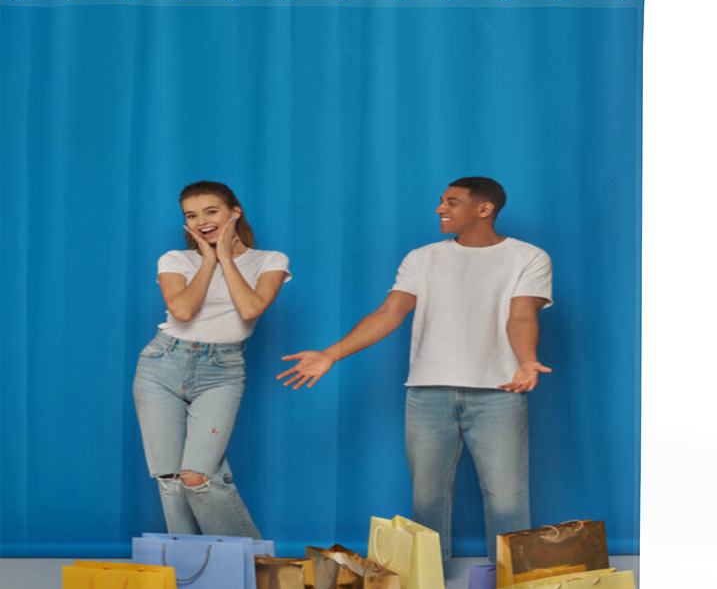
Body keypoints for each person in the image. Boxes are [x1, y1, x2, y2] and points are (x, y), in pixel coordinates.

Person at [277, 177, 552, 560]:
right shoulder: (422, 258)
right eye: (441, 201)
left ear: (484, 209)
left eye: (452, 202)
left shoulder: (529, 257)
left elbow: (521, 316)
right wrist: (330, 354)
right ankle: (430, 587)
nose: (440, 209)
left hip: (499, 392)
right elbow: (389, 313)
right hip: (428, 394)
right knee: (428, 498)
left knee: (507, 497)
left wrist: (526, 361)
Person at [133, 181, 290, 536]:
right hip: (161, 364)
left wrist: (224, 257)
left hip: (222, 370)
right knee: (171, 480)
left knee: (197, 477)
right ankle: (190, 573)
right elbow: (183, 310)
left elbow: (251, 308)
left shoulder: (270, 260)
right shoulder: (176, 260)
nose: (202, 220)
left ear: (235, 213)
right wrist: (207, 260)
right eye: (192, 215)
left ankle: (252, 568)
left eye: (211, 211)